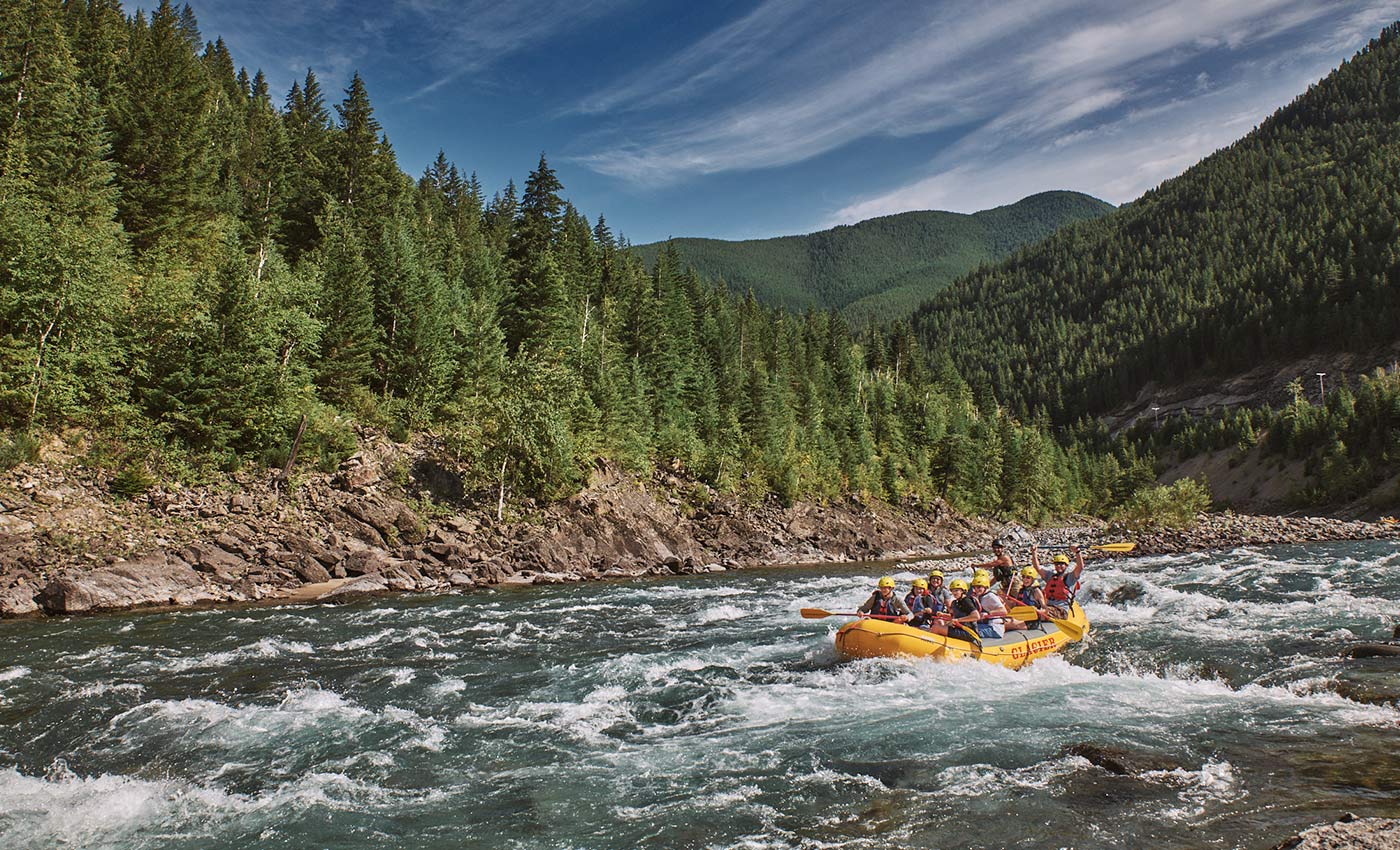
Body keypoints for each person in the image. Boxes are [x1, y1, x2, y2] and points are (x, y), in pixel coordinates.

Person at [1031, 544, 1085, 618]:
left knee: (1036, 613)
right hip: (1049, 608)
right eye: (1057, 564)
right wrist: (1034, 553)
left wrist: (1077, 552)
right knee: (1031, 610)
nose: (1059, 566)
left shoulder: (1070, 577)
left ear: (1066, 565)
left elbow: (1080, 567)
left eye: (1061, 564)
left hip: (1061, 610)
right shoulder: (1051, 576)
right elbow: (1037, 567)